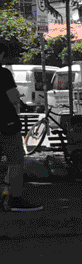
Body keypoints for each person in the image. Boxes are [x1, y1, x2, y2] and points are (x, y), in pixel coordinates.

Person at [1, 62, 42, 211]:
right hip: (6, 122)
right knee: (16, 160)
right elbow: (13, 97)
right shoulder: (3, 73)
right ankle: (15, 199)